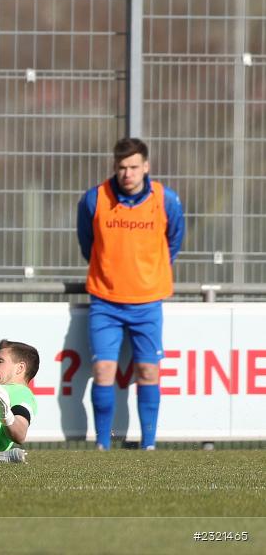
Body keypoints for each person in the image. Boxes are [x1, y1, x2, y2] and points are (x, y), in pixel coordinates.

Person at [77, 137, 185, 451]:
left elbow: (175, 240)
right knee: (102, 369)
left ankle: (148, 444)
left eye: (134, 167)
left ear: (146, 167)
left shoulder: (166, 200)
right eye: (122, 167)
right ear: (115, 167)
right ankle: (102, 444)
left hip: (148, 301)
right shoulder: (95, 199)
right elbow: (88, 243)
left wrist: (151, 272)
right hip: (105, 300)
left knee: (149, 370)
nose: (128, 173)